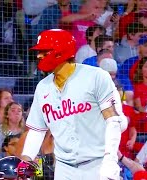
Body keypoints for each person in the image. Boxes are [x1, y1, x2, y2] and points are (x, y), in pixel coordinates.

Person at [17, 29, 128, 180]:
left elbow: (114, 121)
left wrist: (110, 160)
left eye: (44, 51)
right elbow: (37, 130)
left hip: (97, 164)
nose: (39, 56)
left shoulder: (96, 77)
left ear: (60, 51)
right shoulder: (42, 87)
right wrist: (27, 158)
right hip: (64, 168)